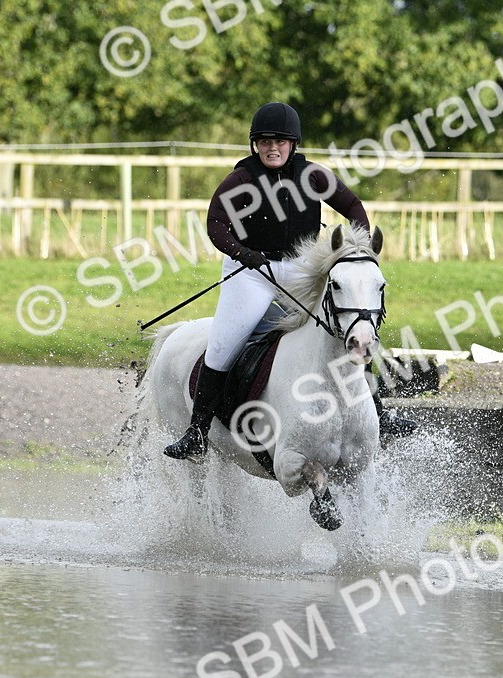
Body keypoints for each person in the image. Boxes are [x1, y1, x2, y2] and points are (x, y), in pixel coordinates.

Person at [165, 102, 416, 459]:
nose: (272, 148)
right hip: (252, 273)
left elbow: (354, 206)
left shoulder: (314, 175)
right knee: (223, 344)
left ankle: (377, 409)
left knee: (350, 327)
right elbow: (216, 225)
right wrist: (243, 253)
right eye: (264, 141)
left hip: (301, 270)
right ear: (255, 144)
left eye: (280, 142)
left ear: (293, 144)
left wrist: (359, 246)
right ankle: (197, 431)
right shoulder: (242, 179)